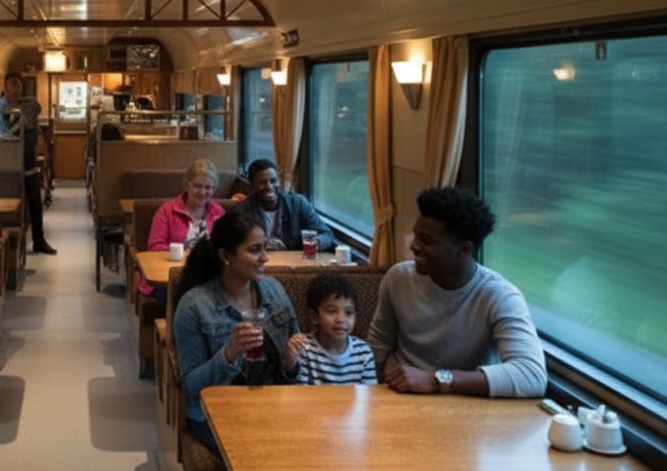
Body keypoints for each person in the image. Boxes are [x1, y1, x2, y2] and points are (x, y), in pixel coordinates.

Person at [172, 211, 314, 471]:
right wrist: (229, 353)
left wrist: (291, 362)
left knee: (308, 469)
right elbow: (190, 385)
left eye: (265, 248)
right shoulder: (195, 305)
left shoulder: (274, 291)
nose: (265, 258)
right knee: (256, 467)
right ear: (225, 256)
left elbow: (292, 366)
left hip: (275, 403)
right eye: (254, 250)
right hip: (218, 412)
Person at [366, 187, 547, 398]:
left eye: (426, 241)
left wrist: (436, 380)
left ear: (463, 250)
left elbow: (532, 376)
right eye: (415, 236)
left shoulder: (499, 296)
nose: (414, 246)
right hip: (401, 393)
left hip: (467, 401)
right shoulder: (398, 278)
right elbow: (378, 347)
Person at [143, 159, 227, 300]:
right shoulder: (167, 210)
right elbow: (155, 247)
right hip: (172, 275)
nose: (202, 192)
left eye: (208, 187)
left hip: (207, 274)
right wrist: (186, 252)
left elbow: (225, 245)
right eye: (197, 186)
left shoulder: (218, 212)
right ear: (187, 185)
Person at [0, 71, 57, 254]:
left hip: (28, 160)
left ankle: (39, 240)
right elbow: (5, 133)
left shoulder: (29, 105)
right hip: (8, 161)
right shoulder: (0, 109)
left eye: (18, 86)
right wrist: (24, 127)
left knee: (35, 202)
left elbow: (34, 116)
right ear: (6, 88)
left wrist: (35, 134)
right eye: (12, 86)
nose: (15, 91)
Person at [288, 272, 378, 385]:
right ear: (314, 316)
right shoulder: (305, 349)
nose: (341, 319)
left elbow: (370, 393)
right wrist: (290, 362)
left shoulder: (363, 352)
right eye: (332, 311)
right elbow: (300, 391)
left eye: (348, 313)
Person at [234, 158, 335, 252]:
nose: (269, 187)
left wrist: (316, 242)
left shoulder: (298, 204)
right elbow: (235, 244)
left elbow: (327, 234)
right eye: (262, 183)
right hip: (259, 261)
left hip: (293, 261)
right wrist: (262, 245)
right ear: (252, 185)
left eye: (273, 181)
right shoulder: (243, 210)